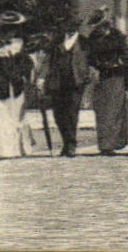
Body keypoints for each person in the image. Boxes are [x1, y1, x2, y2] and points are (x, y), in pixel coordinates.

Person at [0, 12, 34, 158]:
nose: (10, 34)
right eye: (6, 31)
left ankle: (16, 149)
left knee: (15, 119)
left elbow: (27, 64)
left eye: (12, 30)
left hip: (15, 88)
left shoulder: (18, 47)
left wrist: (21, 74)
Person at [40, 18, 90, 157]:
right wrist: (41, 77)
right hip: (57, 82)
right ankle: (66, 142)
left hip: (76, 82)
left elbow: (89, 61)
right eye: (68, 25)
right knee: (59, 115)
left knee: (72, 114)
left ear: (78, 27)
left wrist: (88, 77)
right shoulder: (57, 41)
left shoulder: (84, 42)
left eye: (74, 26)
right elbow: (47, 60)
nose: (71, 28)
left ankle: (71, 144)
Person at [86, 9, 128, 155]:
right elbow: (90, 58)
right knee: (101, 112)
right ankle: (104, 144)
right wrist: (93, 69)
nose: (98, 30)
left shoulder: (118, 37)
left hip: (116, 76)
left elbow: (126, 59)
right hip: (100, 78)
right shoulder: (93, 38)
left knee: (114, 111)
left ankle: (110, 144)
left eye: (101, 27)